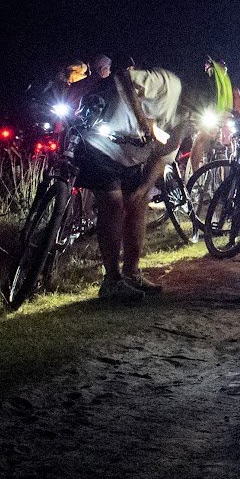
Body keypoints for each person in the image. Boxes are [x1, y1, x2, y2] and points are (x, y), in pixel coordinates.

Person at [75, 56, 185, 303]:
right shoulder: (168, 83)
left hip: (132, 158)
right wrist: (143, 123)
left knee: (138, 205)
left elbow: (162, 157)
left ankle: (132, 273)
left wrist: (143, 191)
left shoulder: (185, 122)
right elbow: (122, 77)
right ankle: (111, 281)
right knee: (112, 206)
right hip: (103, 143)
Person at [189, 56, 240, 175]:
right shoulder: (204, 81)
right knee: (202, 137)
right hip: (209, 117)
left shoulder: (230, 85)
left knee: (234, 144)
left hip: (225, 121)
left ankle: (230, 177)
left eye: (224, 65)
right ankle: (195, 175)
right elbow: (198, 99)